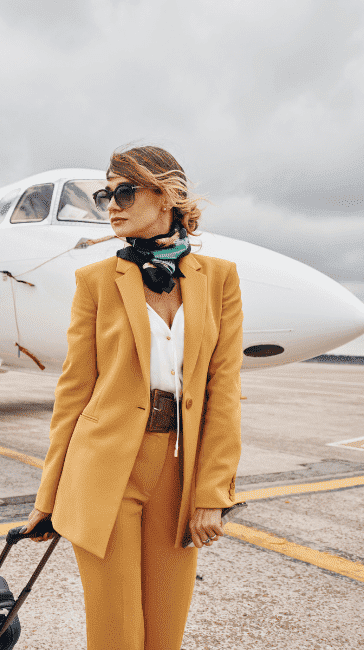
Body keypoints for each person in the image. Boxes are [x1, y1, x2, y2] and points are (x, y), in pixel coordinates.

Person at [22, 145, 243, 650]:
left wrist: (212, 494)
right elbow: (74, 393)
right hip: (103, 471)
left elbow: (223, 390)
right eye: (107, 194)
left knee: (165, 634)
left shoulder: (220, 279)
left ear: (165, 195)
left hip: (176, 469)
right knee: (117, 634)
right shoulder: (95, 282)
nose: (111, 205)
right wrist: (47, 497)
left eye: (123, 191)